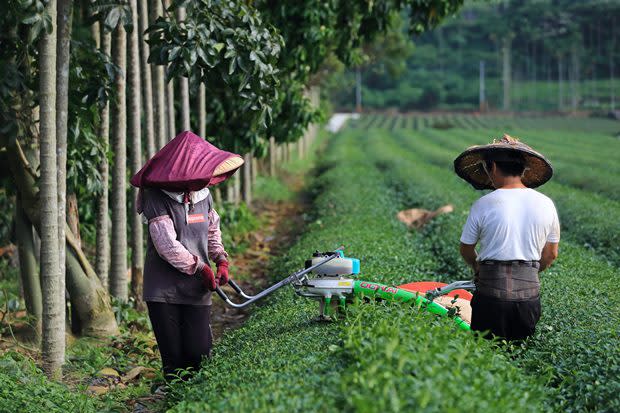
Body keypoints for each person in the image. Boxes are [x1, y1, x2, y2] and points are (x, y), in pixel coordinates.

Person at [130, 131, 244, 381]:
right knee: (175, 360)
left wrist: (221, 259)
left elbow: (211, 230)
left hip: (196, 288)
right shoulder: (157, 196)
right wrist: (201, 268)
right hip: (164, 290)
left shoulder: (203, 195)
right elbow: (167, 245)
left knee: (199, 354)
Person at [453, 134, 560, 341]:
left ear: (492, 167)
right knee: (519, 354)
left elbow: (466, 248)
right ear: (523, 169)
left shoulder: (484, 204)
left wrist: (477, 267)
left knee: (487, 355)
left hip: (490, 298)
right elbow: (551, 254)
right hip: (528, 299)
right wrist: (528, 273)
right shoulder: (546, 203)